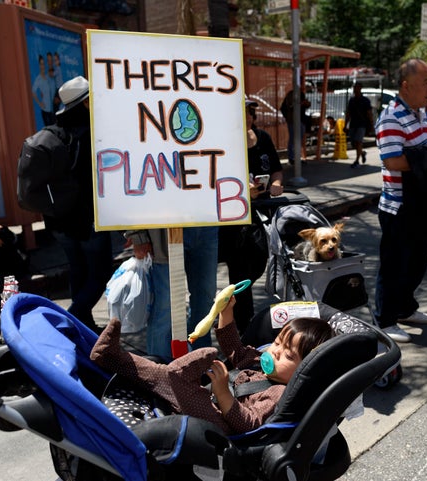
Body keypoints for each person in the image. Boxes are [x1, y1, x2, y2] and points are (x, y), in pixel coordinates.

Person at [90, 295, 335, 435]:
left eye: (288, 355)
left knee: (175, 380)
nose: (276, 352)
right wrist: (226, 312)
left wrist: (222, 393)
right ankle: (110, 356)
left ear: (306, 370)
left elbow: (249, 423)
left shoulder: (279, 393)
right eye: (278, 342)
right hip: (211, 400)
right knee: (160, 372)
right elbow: (235, 348)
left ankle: (176, 377)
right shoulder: (261, 362)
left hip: (221, 427)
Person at [373, 58, 427, 343]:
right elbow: (393, 160)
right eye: (425, 82)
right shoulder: (391, 117)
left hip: (420, 204)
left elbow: (421, 152)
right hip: (397, 206)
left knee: (416, 263)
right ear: (405, 85)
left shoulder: (420, 114)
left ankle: (405, 308)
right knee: (394, 265)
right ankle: (385, 319)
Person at [45, 76, 112, 333]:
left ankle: (82, 322)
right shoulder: (91, 133)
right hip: (87, 218)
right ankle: (70, 319)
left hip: (59, 219)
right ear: (85, 103)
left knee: (78, 269)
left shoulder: (56, 130)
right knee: (100, 273)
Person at [219, 99, 283, 331]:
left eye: (249, 113)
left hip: (261, 215)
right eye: (242, 113)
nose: (247, 117)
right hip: (234, 219)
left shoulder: (263, 138)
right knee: (240, 273)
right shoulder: (225, 142)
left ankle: (237, 315)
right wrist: (244, 190)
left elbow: (276, 168)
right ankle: (241, 326)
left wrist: (276, 183)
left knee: (258, 262)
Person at [123, 225, 219, 357]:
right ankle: (159, 369)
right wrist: (137, 235)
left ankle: (201, 362)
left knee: (205, 299)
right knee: (164, 307)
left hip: (205, 224)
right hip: (163, 230)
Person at [346, 82, 374, 168]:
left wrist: (371, 125)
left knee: (358, 141)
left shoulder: (365, 100)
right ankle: (362, 153)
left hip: (362, 124)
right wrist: (345, 124)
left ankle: (357, 161)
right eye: (354, 87)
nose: (355, 89)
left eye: (357, 87)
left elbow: (369, 113)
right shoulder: (352, 100)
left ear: (360, 88)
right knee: (354, 143)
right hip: (353, 124)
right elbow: (348, 113)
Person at [281, 87, 311, 164]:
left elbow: (306, 105)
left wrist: (305, 104)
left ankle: (296, 157)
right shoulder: (291, 95)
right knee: (293, 139)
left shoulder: (300, 94)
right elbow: (288, 106)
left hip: (300, 120)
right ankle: (292, 158)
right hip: (293, 120)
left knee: (298, 139)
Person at [32, 54, 55, 126]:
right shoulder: (38, 79)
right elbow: (33, 91)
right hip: (45, 110)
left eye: (44, 64)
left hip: (52, 109)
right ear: (39, 66)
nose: (43, 66)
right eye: (41, 64)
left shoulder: (48, 76)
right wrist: (40, 103)